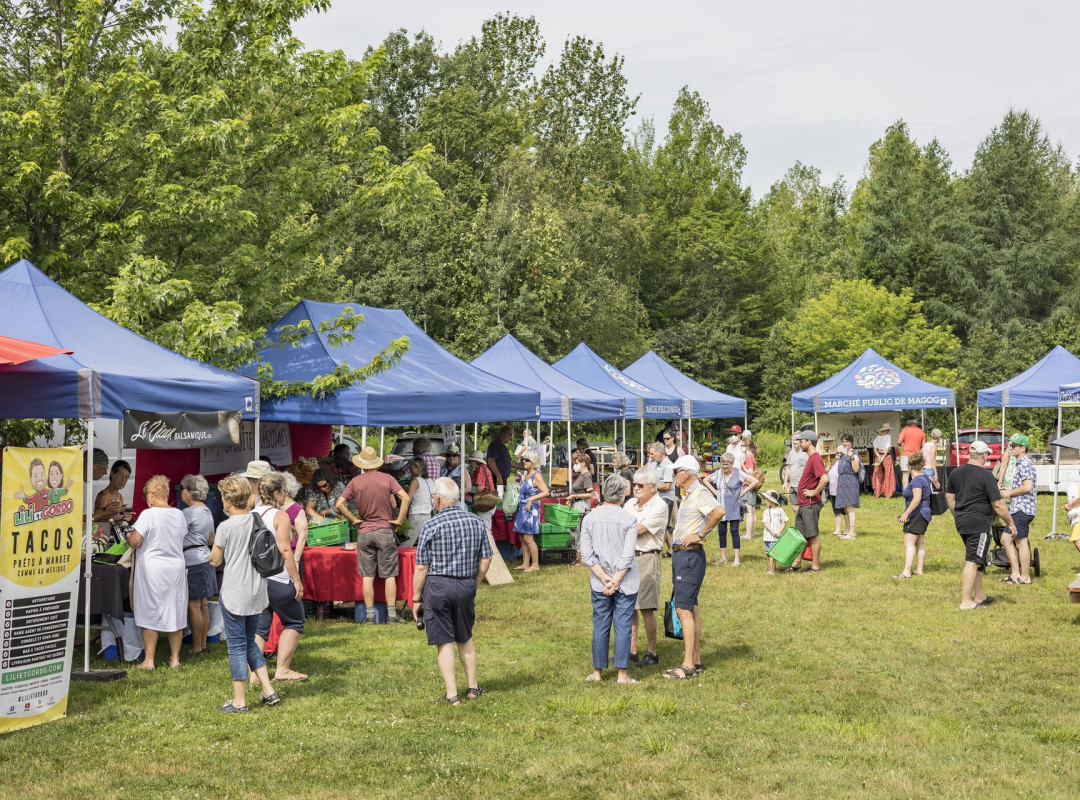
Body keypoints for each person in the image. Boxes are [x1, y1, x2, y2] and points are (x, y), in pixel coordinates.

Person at [412, 478, 493, 705]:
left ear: (438, 498)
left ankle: (452, 695)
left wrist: (416, 598)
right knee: (465, 637)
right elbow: (487, 558)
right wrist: (475, 582)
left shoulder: (430, 525)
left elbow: (421, 567)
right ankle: (473, 688)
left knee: (444, 641)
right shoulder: (476, 522)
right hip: (465, 585)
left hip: (438, 586)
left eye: (433, 497)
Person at [208, 476, 279, 713]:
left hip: (235, 593)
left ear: (227, 500)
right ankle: (268, 690)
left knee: (236, 647)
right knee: (249, 642)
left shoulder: (225, 527)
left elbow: (215, 560)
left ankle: (239, 701)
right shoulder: (258, 520)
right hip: (257, 590)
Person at [663, 455, 724, 680]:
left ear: (686, 473)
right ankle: (695, 661)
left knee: (683, 609)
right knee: (691, 607)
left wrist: (701, 534)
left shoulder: (699, 492)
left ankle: (688, 666)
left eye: (675, 472)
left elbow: (719, 511)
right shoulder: (688, 495)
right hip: (684, 556)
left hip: (689, 556)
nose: (673, 476)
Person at [335, 446, 411, 623]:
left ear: (361, 465)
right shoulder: (388, 478)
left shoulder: (355, 481)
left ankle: (369, 615)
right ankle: (392, 615)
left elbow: (339, 504)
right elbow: (406, 498)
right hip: (385, 530)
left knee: (367, 576)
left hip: (365, 532)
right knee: (389, 575)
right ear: (377, 463)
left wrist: (354, 520)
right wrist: (399, 520)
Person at [578, 474, 639, 684]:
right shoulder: (628, 519)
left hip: (601, 581)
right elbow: (627, 556)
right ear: (622, 495)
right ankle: (622, 674)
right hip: (624, 581)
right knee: (623, 625)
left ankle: (597, 672)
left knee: (600, 624)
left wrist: (605, 579)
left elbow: (587, 555)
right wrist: (614, 580)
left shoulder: (589, 518)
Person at [125, 475, 187, 670]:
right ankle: (175, 659)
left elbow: (136, 541)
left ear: (151, 494)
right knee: (174, 611)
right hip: (175, 567)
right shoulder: (179, 515)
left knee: (150, 611)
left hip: (152, 568)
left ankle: (149, 660)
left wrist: (128, 535)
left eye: (146, 496)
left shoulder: (148, 515)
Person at [946, 440, 1016, 610]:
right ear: (984, 455)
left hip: (962, 522)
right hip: (978, 524)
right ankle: (966, 601)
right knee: (972, 560)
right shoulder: (986, 476)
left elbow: (949, 497)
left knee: (978, 559)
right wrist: (1011, 523)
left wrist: (958, 515)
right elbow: (998, 504)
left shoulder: (956, 472)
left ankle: (979, 595)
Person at [253, 473, 307, 679]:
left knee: (260, 628)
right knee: (295, 621)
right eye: (284, 491)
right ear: (276, 493)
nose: (286, 495)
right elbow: (285, 549)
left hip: (257, 579)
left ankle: (255, 674)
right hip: (279, 577)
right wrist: (296, 579)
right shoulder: (280, 516)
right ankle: (282, 669)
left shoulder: (250, 514)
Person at [625, 468, 667, 667]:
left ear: (653, 487)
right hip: (628, 557)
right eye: (634, 484)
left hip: (647, 557)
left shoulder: (660, 505)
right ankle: (631, 650)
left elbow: (638, 530)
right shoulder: (630, 503)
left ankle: (652, 652)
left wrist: (623, 529)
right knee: (629, 605)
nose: (636, 488)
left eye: (640, 485)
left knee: (646, 607)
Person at [180, 474, 216, 657]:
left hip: (192, 560)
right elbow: (211, 538)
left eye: (183, 489)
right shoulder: (207, 510)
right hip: (205, 557)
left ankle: (196, 646)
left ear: (190, 492)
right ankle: (203, 645)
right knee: (203, 605)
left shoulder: (188, 513)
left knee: (193, 605)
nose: (181, 492)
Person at [705, 452, 759, 567]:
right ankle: (723, 558)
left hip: (734, 507)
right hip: (721, 507)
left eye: (727, 464)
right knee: (722, 532)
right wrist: (714, 491)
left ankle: (736, 559)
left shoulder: (738, 473)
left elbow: (755, 481)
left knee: (734, 531)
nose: (724, 466)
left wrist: (744, 491)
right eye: (723, 464)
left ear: (732, 463)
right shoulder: (718, 473)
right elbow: (705, 480)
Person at [998, 433, 1036, 585]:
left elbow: (1027, 487)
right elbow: (1021, 485)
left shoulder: (1025, 463)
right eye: (1010, 445)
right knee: (1005, 539)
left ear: (1023, 448)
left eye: (1014, 446)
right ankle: (1015, 574)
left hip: (1023, 509)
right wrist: (1005, 489)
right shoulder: (1019, 463)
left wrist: (1009, 493)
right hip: (1017, 508)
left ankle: (1025, 577)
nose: (1011, 448)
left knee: (1021, 542)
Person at [791, 430, 827, 573]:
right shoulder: (810, 458)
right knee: (800, 536)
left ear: (809, 442)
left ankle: (815, 567)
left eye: (801, 441)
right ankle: (796, 564)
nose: (799, 443)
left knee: (812, 535)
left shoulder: (815, 458)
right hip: (803, 504)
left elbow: (824, 479)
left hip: (810, 504)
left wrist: (813, 492)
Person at [896, 452, 932, 579]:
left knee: (909, 543)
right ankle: (918, 570)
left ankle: (906, 571)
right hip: (924, 513)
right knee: (920, 543)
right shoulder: (925, 477)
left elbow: (916, 499)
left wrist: (906, 514)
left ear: (910, 466)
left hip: (917, 514)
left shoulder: (916, 481)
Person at [513, 449, 550, 572]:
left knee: (528, 538)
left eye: (527, 460)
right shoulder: (526, 474)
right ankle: (525, 563)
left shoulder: (536, 475)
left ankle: (535, 565)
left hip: (530, 509)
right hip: (522, 508)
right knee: (522, 537)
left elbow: (546, 492)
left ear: (533, 462)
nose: (524, 461)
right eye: (524, 459)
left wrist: (531, 499)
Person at [830, 433, 861, 540]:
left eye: (846, 441)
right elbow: (840, 470)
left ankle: (852, 533)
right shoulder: (843, 454)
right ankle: (848, 530)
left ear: (851, 442)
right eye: (843, 441)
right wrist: (837, 483)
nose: (844, 443)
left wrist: (851, 457)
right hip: (842, 481)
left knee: (850, 508)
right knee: (845, 507)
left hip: (850, 481)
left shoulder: (855, 454)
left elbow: (856, 469)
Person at [648, 442, 676, 556]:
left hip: (666, 498)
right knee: (662, 525)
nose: (650, 456)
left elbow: (666, 486)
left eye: (652, 454)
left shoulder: (668, 465)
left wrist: (651, 487)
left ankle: (657, 551)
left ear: (660, 453)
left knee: (661, 525)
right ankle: (671, 550)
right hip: (657, 497)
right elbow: (644, 470)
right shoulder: (655, 463)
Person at [94, 459, 133, 531]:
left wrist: (123, 518)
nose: (123, 480)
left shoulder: (120, 497)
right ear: (112, 474)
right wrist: (120, 519)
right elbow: (99, 523)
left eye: (126, 477)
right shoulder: (104, 496)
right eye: (121, 476)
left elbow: (115, 520)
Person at [404, 458, 435, 544]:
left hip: (416, 515)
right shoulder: (431, 481)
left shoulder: (415, 481)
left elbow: (408, 499)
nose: (411, 471)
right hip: (429, 514)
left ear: (419, 468)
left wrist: (403, 515)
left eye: (412, 468)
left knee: (409, 541)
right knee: (424, 542)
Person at [466, 450, 497, 532]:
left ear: (475, 461)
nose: (469, 462)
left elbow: (480, 488)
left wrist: (467, 488)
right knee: (484, 528)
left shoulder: (480, 469)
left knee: (485, 529)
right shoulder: (483, 468)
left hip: (485, 501)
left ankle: (488, 540)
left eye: (470, 460)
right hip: (489, 499)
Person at [760, 490, 788, 576]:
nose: (765, 501)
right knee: (768, 553)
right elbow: (765, 523)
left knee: (772, 553)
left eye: (767, 499)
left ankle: (772, 571)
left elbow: (784, 521)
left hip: (776, 537)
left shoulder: (780, 510)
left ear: (772, 501)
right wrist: (772, 531)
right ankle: (773, 569)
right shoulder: (765, 511)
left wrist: (779, 532)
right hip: (767, 536)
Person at [897, 419, 926, 490]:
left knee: (905, 474)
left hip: (906, 454)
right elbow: (923, 445)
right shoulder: (921, 431)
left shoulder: (905, 430)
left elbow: (899, 442)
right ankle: (915, 490)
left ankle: (905, 491)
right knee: (915, 474)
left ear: (908, 423)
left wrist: (903, 443)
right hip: (916, 455)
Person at [740, 430, 759, 538]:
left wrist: (742, 464)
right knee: (752, 510)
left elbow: (750, 472)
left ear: (747, 447)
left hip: (748, 485)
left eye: (742, 445)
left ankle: (748, 534)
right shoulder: (751, 456)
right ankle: (752, 533)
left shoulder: (748, 457)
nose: (741, 447)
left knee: (749, 510)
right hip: (751, 486)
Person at [783, 435, 808, 508]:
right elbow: (788, 468)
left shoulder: (805, 453)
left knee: (802, 507)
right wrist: (785, 482)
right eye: (793, 440)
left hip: (801, 485)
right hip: (792, 485)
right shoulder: (791, 453)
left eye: (796, 440)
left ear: (801, 440)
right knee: (794, 507)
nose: (794, 442)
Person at [872, 423, 896, 498]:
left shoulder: (877, 437)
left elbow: (875, 448)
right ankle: (888, 493)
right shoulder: (888, 436)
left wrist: (879, 456)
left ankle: (878, 492)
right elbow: (888, 448)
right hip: (886, 456)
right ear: (887, 430)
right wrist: (883, 457)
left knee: (878, 474)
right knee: (888, 474)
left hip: (879, 455)